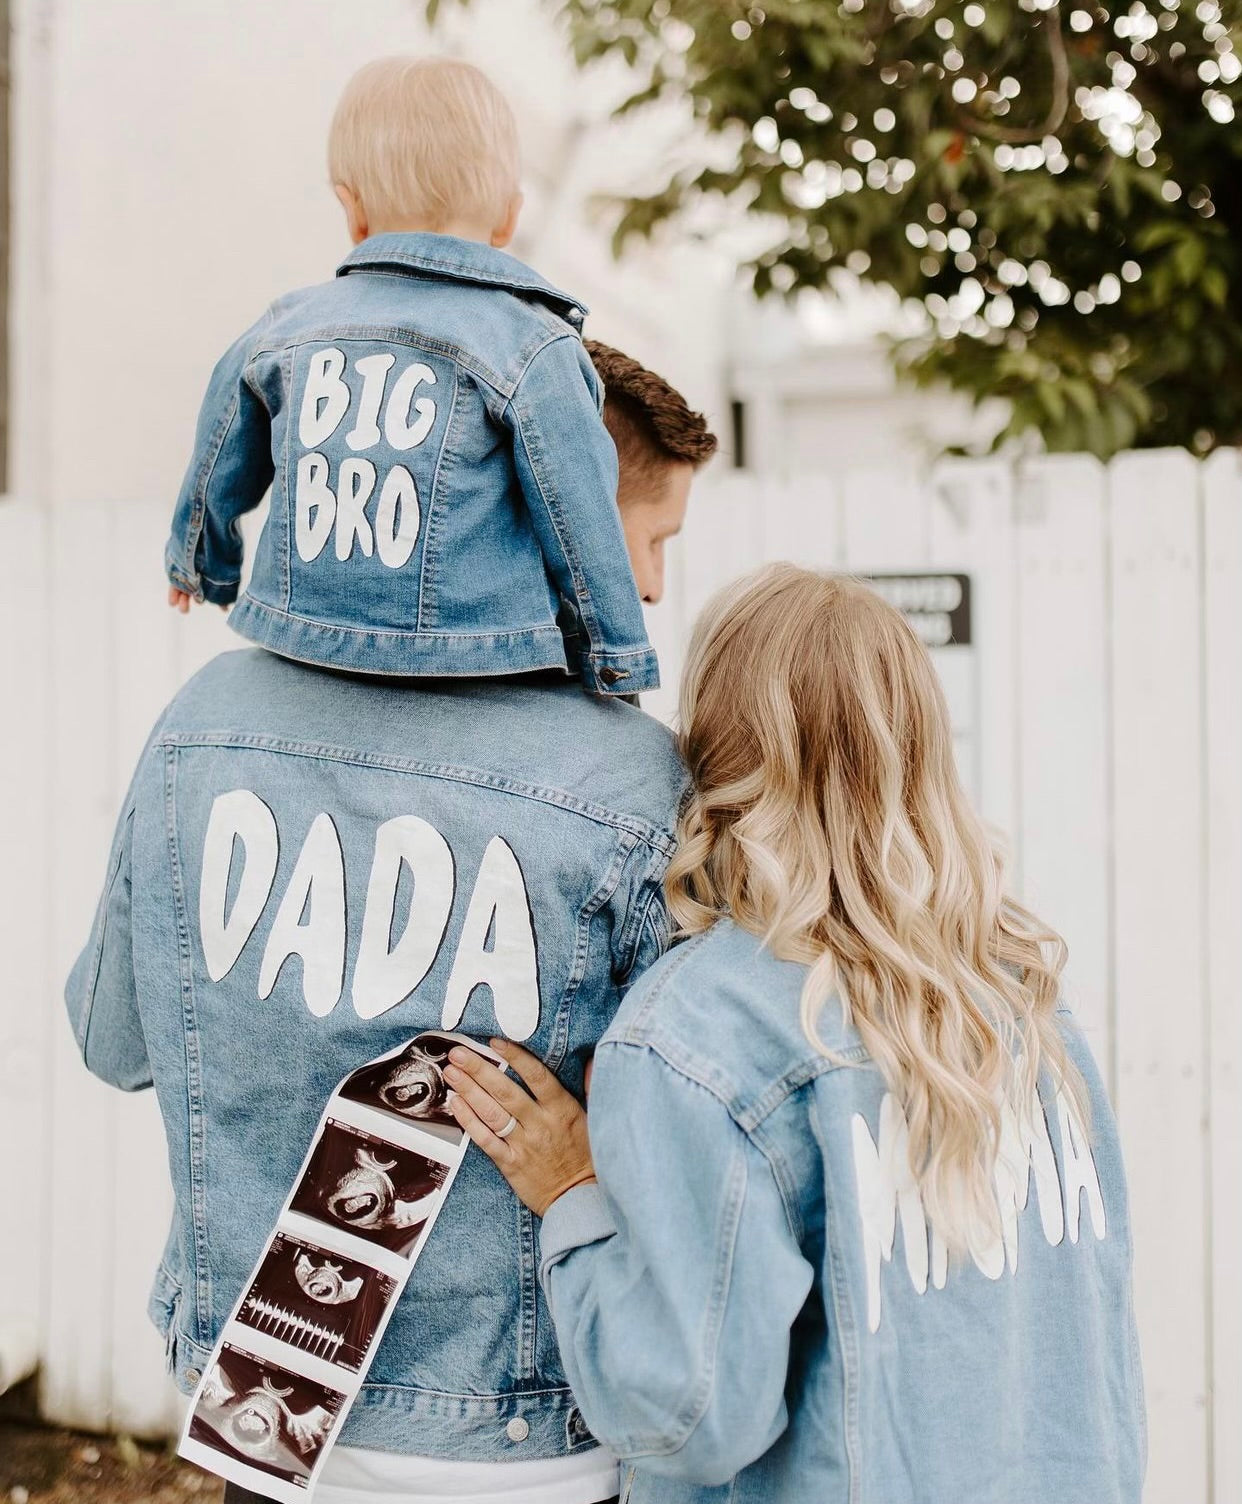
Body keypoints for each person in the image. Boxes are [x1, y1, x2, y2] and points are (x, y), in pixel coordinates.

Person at [64, 356, 716, 1504]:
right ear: (558, 518)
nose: (655, 587)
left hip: (264, 1419)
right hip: (526, 1446)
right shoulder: (631, 782)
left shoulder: (205, 722)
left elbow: (114, 1040)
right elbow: (686, 1160)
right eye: (648, 539)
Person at [446, 565, 1147, 1504]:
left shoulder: (700, 1033)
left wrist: (574, 1191)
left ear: (717, 754)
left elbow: (686, 1418)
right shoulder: (1023, 999)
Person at [165, 55, 657, 697]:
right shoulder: (533, 346)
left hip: (304, 641)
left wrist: (201, 562)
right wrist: (613, 657)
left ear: (352, 210)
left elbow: (222, 440)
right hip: (476, 657)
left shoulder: (286, 327)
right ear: (508, 219)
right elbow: (581, 514)